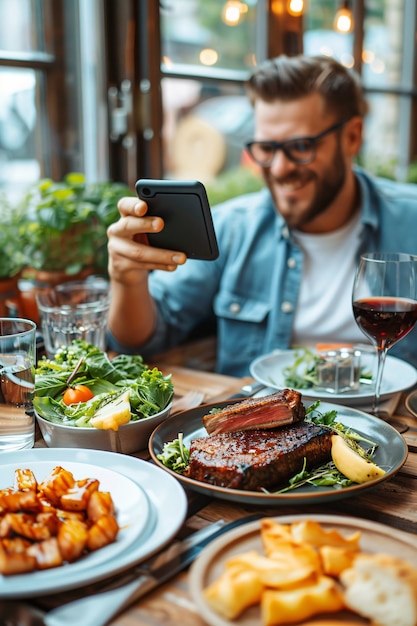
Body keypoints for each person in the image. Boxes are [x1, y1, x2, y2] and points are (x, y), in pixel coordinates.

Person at [106, 54, 417, 376]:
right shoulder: (233, 228)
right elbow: (141, 340)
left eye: (300, 147)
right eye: (267, 149)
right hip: (259, 420)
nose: (280, 169)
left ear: (352, 136)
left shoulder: (411, 221)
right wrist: (126, 278)